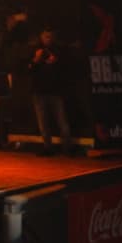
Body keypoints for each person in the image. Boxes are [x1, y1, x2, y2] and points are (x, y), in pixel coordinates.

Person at [29, 25, 72, 156]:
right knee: (43, 123)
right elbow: (29, 70)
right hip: (39, 92)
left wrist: (57, 61)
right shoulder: (35, 50)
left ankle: (67, 148)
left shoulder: (58, 50)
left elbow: (66, 68)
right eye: (45, 35)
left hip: (55, 92)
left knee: (62, 121)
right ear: (41, 36)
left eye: (50, 35)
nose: (48, 38)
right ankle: (48, 148)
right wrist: (36, 60)